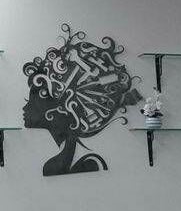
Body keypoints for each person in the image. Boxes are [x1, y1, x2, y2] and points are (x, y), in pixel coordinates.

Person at [22, 24, 142, 177]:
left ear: (57, 109)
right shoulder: (84, 162)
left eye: (32, 100)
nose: (25, 107)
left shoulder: (76, 164)